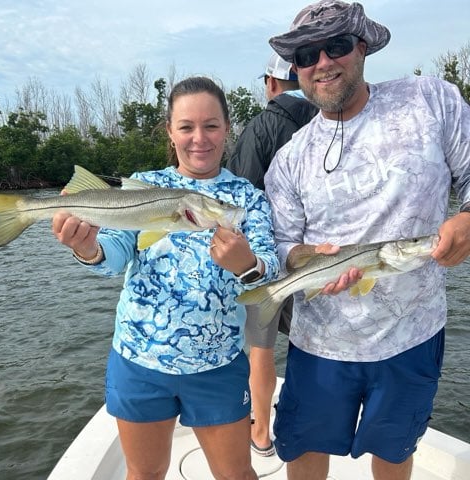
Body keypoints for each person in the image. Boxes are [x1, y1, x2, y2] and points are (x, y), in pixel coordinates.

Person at [264, 1, 470, 479]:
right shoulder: (290, 158)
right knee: (303, 447)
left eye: (335, 46)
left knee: (395, 449)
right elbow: (278, 243)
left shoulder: (430, 100)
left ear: (361, 48)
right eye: (307, 55)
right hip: (319, 342)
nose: (322, 63)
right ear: (295, 69)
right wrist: (300, 256)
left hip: (412, 336)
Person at [52, 76, 280, 480]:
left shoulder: (246, 198)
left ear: (227, 128)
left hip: (218, 363)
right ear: (170, 132)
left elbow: (268, 274)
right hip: (139, 359)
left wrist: (246, 264)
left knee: (236, 476)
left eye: (211, 125)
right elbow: (116, 252)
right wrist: (87, 248)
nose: (200, 138)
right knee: (144, 474)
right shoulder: (145, 184)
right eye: (186, 127)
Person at [226, 52, 317, 457]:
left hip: (267, 255)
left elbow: (238, 195)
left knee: (260, 347)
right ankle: (309, 420)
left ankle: (261, 432)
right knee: (311, 339)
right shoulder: (328, 121)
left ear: (271, 83)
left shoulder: (263, 126)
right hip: (314, 255)